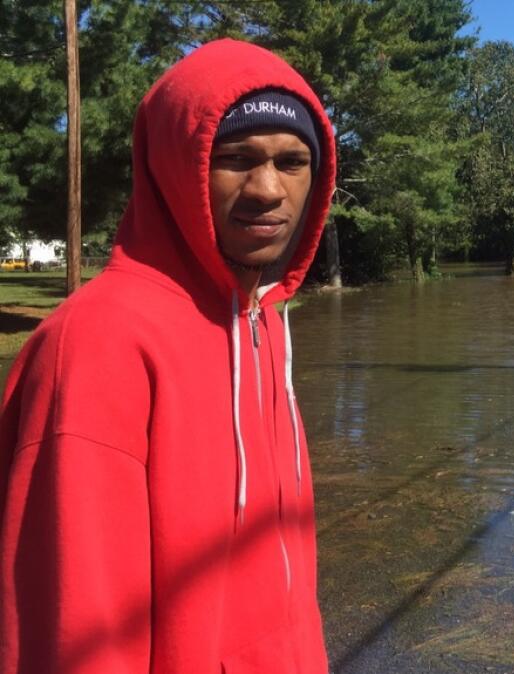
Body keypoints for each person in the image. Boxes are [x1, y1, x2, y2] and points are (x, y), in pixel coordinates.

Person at [0, 39, 335, 673]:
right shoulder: (98, 344)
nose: (268, 188)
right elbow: (75, 630)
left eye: (292, 161)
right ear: (176, 168)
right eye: (237, 158)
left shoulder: (261, 320)